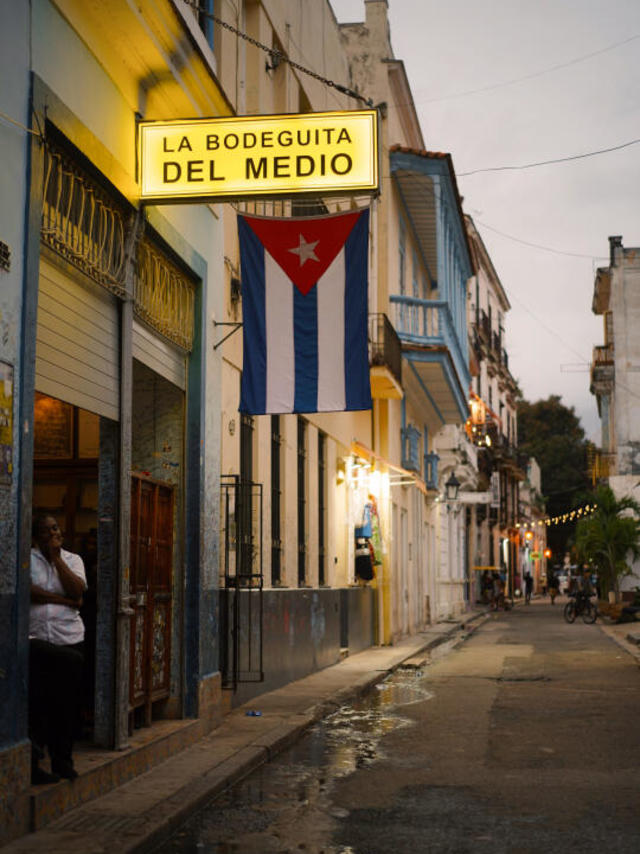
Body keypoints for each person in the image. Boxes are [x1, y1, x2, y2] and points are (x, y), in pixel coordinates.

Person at [29, 514, 87, 783]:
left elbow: (77, 589)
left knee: (65, 707)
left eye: (54, 528)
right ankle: (33, 764)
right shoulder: (27, 559)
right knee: (39, 704)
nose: (52, 534)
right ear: (36, 536)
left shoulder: (73, 560)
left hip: (68, 637)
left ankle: (63, 763)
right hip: (36, 639)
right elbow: (31, 592)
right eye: (45, 531)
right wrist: (65, 601)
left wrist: (57, 559)